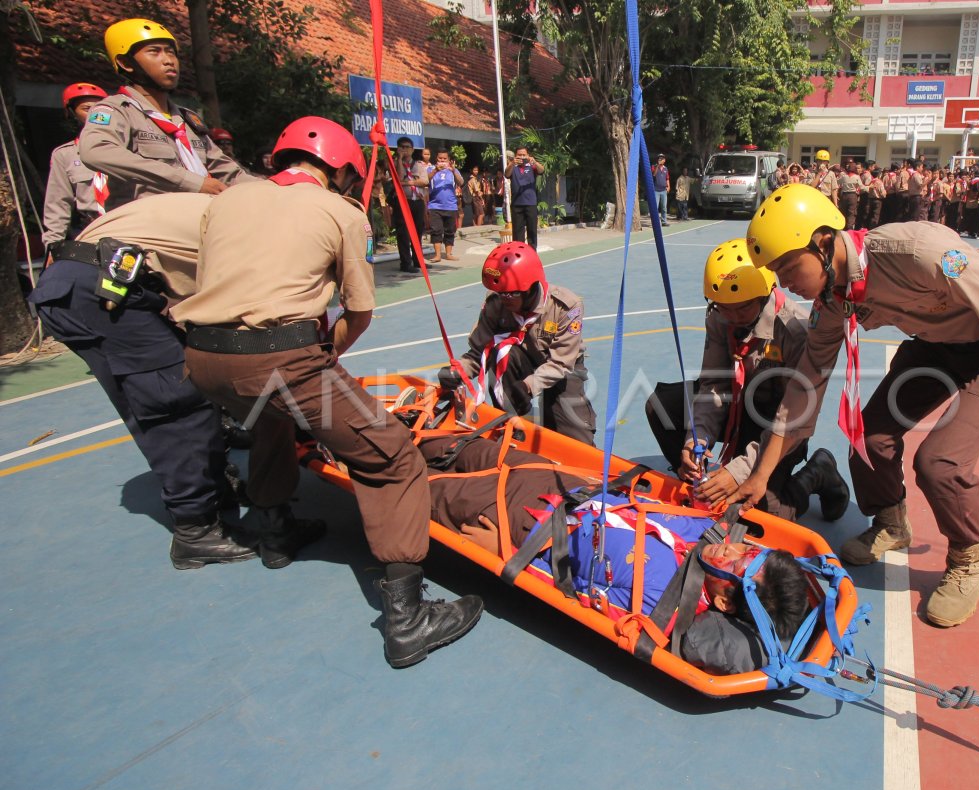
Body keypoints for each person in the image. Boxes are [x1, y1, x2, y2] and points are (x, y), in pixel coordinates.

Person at [173, 117, 483, 667]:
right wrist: (327, 356)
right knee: (393, 458)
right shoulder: (343, 212)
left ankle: (274, 533)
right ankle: (409, 620)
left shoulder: (227, 201)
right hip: (280, 357)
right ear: (340, 170)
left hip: (201, 358)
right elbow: (359, 311)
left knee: (270, 415)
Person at [734, 184, 979, 628]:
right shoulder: (833, 299)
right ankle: (892, 523)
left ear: (822, 241)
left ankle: (969, 558)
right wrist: (759, 476)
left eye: (788, 268)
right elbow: (805, 387)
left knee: (940, 462)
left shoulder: (917, 252)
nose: (785, 283)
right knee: (869, 436)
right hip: (939, 346)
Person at [418, 434, 811, 673]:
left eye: (737, 561)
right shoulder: (710, 536)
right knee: (455, 447)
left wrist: (506, 555)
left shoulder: (661, 601)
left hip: (522, 523)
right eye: (747, 548)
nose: (733, 548)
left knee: (414, 486)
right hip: (564, 483)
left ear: (725, 600)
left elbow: (574, 590)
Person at [30, 192, 253, 569]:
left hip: (95, 280)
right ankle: (195, 530)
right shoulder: (256, 228)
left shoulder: (240, 207)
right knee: (175, 400)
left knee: (183, 387)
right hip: (102, 287)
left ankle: (214, 491)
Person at [644, 239, 849, 524]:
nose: (732, 317)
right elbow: (714, 385)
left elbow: (794, 418)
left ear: (765, 294)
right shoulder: (721, 317)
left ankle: (817, 472)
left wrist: (740, 471)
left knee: (758, 514)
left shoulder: (796, 332)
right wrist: (697, 439)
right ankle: (695, 476)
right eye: (723, 308)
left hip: (780, 424)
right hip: (738, 405)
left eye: (741, 309)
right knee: (662, 405)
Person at [78, 19, 253, 212]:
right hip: (147, 226)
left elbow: (225, 169)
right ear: (126, 63)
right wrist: (188, 182)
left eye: (171, 52)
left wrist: (275, 188)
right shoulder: (116, 110)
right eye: (155, 51)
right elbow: (96, 151)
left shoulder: (187, 119)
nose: (169, 60)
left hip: (199, 217)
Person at [440, 242, 597, 445]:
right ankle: (513, 424)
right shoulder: (496, 304)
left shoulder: (566, 306)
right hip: (519, 362)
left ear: (530, 287)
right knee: (500, 352)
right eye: (501, 292)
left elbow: (561, 363)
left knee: (573, 439)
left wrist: (528, 386)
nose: (505, 299)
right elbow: (479, 352)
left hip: (560, 367)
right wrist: (458, 371)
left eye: (511, 293)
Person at [42, 82, 108, 248]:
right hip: (92, 231)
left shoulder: (128, 147)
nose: (95, 114)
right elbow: (58, 204)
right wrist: (53, 245)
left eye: (100, 109)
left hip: (130, 225)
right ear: (72, 113)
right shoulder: (64, 155)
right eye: (86, 109)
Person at [386, 136, 429, 274]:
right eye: (402, 147)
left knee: (417, 232)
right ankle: (405, 262)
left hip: (417, 201)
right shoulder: (394, 163)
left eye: (407, 147)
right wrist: (399, 158)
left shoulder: (419, 165)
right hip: (403, 201)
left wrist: (408, 183)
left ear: (412, 149)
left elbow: (424, 181)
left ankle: (418, 261)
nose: (405, 150)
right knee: (403, 233)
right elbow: (397, 179)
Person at [426, 148, 463, 263]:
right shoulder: (430, 169)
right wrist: (435, 171)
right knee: (436, 230)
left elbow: (461, 182)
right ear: (436, 159)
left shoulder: (453, 170)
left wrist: (453, 170)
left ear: (449, 160)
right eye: (440, 158)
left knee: (450, 230)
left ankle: (448, 254)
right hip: (434, 206)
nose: (442, 161)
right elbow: (425, 181)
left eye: (444, 159)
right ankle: (437, 255)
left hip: (451, 206)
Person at [506, 146, 544, 249]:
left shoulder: (531, 165)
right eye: (519, 155)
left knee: (532, 230)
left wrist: (534, 162)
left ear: (528, 155)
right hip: (517, 204)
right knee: (518, 232)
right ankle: (519, 252)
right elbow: (506, 174)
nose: (522, 157)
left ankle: (532, 253)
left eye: (524, 155)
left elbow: (541, 170)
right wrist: (512, 163)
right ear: (516, 155)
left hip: (530, 203)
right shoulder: (513, 166)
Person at [651, 153, 670, 225]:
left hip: (664, 190)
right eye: (659, 158)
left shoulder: (666, 168)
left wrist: (668, 186)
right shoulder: (654, 166)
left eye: (662, 158)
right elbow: (654, 174)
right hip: (656, 190)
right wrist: (658, 165)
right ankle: (655, 222)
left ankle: (664, 221)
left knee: (664, 207)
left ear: (664, 160)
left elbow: (667, 178)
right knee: (655, 207)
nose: (660, 159)